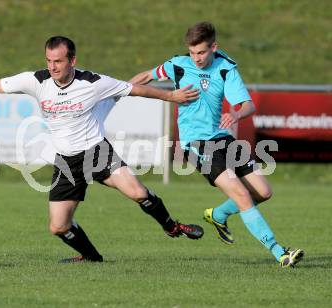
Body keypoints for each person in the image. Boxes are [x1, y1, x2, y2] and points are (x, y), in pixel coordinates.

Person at [0, 36, 204, 263]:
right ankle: (91, 257)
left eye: (58, 61)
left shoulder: (92, 82)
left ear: (72, 60)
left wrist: (171, 97)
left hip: (96, 153)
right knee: (58, 226)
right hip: (66, 163)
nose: (52, 67)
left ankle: (171, 226)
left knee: (138, 192)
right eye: (49, 60)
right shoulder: (37, 80)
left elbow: (134, 90)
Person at [130, 22, 304, 268]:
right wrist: (119, 90)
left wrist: (235, 115)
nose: (196, 58)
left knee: (263, 192)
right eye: (192, 53)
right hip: (196, 144)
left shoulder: (225, 67)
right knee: (242, 194)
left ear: (214, 47)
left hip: (222, 138)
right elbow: (147, 76)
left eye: (201, 52)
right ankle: (280, 252)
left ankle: (219, 214)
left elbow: (248, 105)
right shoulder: (178, 65)